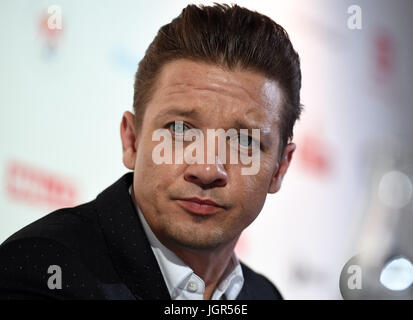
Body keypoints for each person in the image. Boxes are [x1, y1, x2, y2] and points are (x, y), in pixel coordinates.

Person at [0, 3, 301, 300]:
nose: (207, 169)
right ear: (131, 141)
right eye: (180, 129)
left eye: (244, 141)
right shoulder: (43, 273)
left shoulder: (265, 295)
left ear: (279, 168)